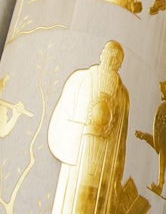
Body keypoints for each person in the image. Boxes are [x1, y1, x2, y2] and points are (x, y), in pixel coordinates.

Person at [48, 41, 129, 214]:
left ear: (120, 64)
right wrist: (85, 130)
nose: (112, 60)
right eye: (110, 54)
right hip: (78, 160)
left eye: (117, 58)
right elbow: (61, 118)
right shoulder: (80, 79)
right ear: (102, 55)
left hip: (105, 166)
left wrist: (117, 176)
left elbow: (121, 142)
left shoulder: (122, 96)